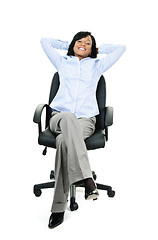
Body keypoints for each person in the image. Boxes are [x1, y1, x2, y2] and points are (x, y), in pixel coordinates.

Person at [40, 31, 126, 228]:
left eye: (88, 43)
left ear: (92, 48)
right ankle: (87, 179)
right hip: (59, 118)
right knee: (68, 117)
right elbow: (44, 41)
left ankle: (58, 208)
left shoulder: (96, 66)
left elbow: (121, 48)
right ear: (73, 44)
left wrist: (96, 49)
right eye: (79, 41)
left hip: (85, 121)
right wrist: (69, 46)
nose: (83, 44)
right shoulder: (62, 62)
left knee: (63, 142)